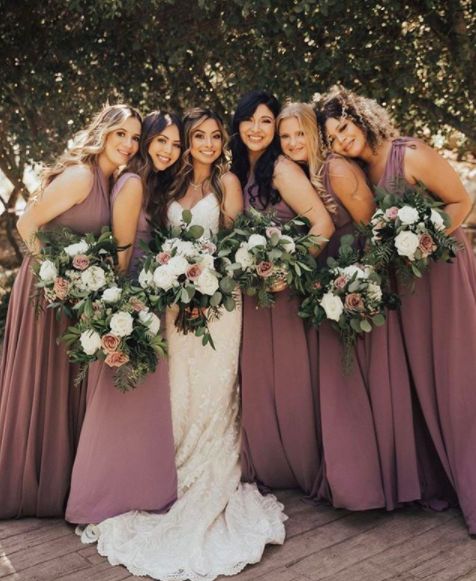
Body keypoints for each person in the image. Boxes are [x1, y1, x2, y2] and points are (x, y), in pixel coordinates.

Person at [82, 107, 286, 581]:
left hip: (220, 303)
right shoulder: (165, 187)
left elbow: (234, 248)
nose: (209, 143)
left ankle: (208, 473)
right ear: (187, 142)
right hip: (174, 303)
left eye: (216, 136)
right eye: (199, 136)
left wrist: (208, 287)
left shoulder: (227, 184)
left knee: (215, 393)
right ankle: (163, 473)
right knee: (179, 392)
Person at [317, 86, 476, 533]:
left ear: (361, 117)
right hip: (408, 286)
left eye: (343, 128)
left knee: (457, 374)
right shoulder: (362, 170)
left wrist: (423, 235)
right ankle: (444, 476)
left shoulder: (410, 154)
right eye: (331, 138)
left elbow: (462, 202)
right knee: (426, 376)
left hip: (442, 273)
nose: (341, 141)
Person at [278, 101, 430, 511]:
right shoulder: (310, 172)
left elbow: (373, 227)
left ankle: (380, 481)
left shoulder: (336, 169)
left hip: (360, 279)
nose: (293, 143)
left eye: (299, 133)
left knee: (369, 379)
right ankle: (355, 478)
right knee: (344, 383)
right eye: (285, 136)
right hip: (332, 282)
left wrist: (359, 282)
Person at [0, 104, 141, 518]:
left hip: (71, 292)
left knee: (63, 381)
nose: (129, 144)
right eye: (122, 135)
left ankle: (57, 483)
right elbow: (28, 228)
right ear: (104, 132)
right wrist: (58, 280)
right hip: (45, 289)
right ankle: (27, 484)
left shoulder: (109, 179)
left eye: (134, 138)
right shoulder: (81, 176)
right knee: (42, 379)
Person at [66, 111, 183, 526]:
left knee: (137, 398)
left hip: (147, 296)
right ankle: (104, 494)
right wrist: (123, 306)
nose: (168, 150)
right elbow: (121, 251)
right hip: (132, 300)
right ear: (147, 140)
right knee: (121, 396)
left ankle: (137, 486)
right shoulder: (132, 182)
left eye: (175, 144)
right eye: (160, 141)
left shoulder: (145, 184)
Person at [231, 90, 334, 499]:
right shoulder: (239, 173)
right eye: (249, 120)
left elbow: (322, 225)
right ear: (237, 125)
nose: (257, 129)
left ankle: (296, 462)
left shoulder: (281, 169)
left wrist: (287, 270)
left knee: (291, 377)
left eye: (266, 121)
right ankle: (269, 463)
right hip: (253, 295)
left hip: (285, 291)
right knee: (258, 378)